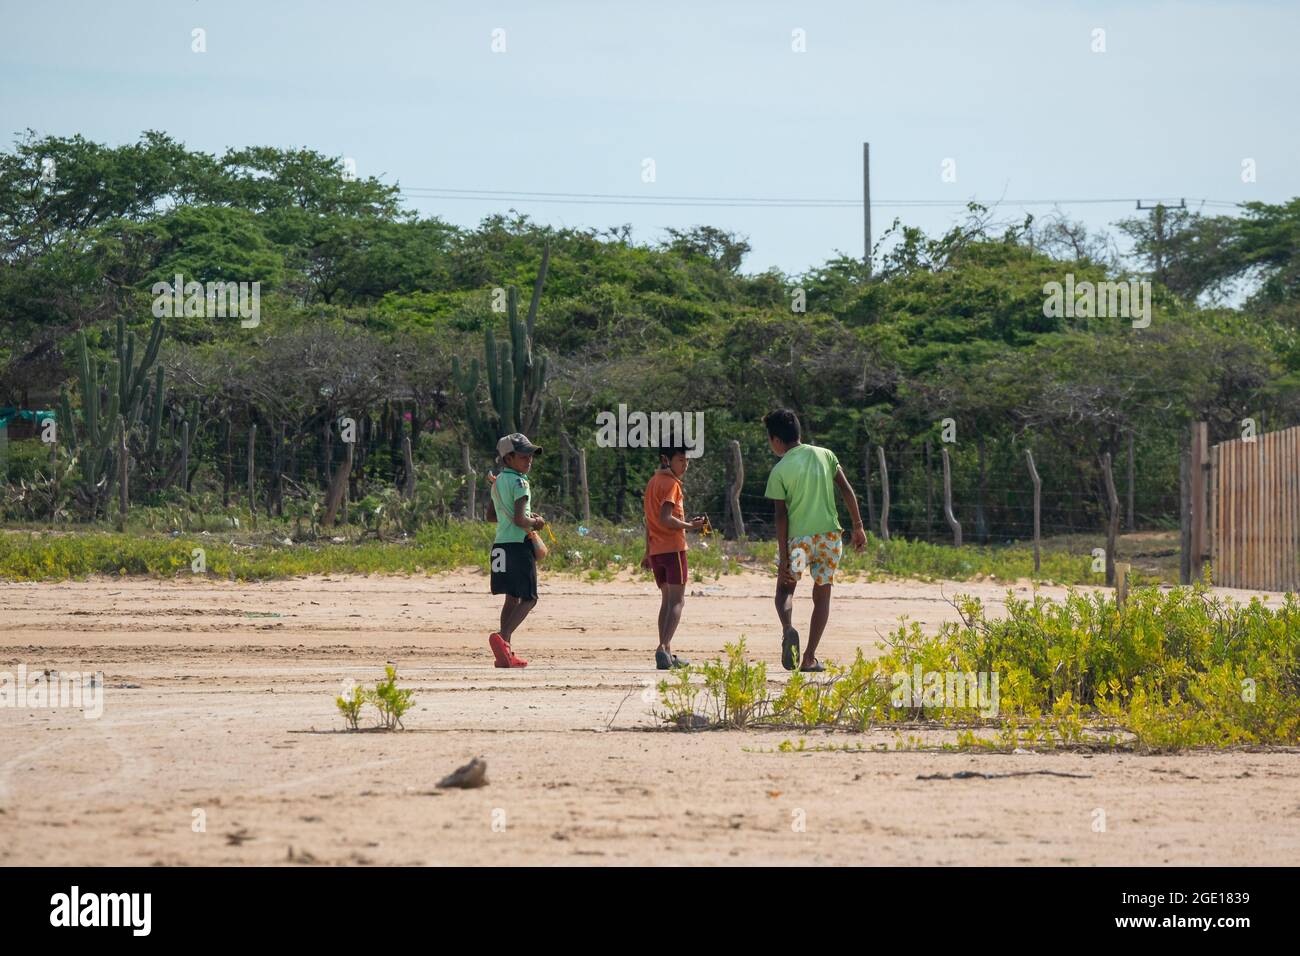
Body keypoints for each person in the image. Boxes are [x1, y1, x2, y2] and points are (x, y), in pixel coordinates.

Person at [762, 409, 867, 672]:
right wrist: (858, 527)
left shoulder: (780, 469)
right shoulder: (825, 455)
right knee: (822, 597)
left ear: (776, 440)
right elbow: (846, 489)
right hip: (830, 538)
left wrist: (785, 559)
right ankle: (809, 657)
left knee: (785, 592)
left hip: (800, 542)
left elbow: (780, 516)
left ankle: (788, 629)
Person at [641, 445, 707, 669]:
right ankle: (663, 646)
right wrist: (691, 525)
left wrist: (646, 552)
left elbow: (649, 521)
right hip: (673, 549)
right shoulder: (672, 485)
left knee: (666, 601)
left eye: (687, 461)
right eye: (680, 460)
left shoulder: (652, 483)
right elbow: (665, 518)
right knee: (678, 601)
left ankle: (667, 652)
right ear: (665, 460)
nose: (685, 465)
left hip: (656, 550)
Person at [485, 433, 545, 668]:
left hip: (500, 545)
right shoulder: (521, 483)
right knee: (530, 598)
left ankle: (505, 653)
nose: (529, 459)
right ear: (508, 458)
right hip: (519, 546)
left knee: (512, 598)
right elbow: (521, 520)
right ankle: (502, 637)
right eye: (523, 455)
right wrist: (536, 522)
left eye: (530, 455)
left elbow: (491, 516)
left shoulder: (498, 481)